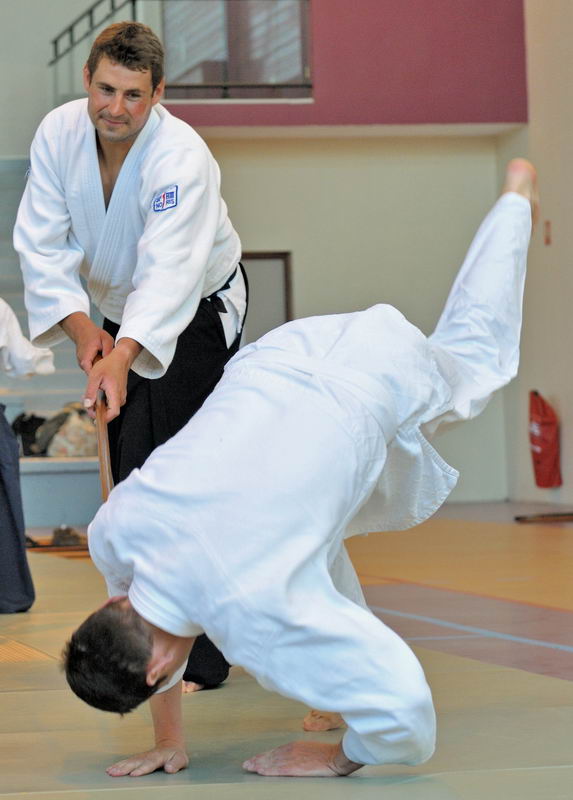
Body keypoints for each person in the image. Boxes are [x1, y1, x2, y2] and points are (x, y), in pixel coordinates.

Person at [63, 160, 537, 778]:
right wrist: (169, 740)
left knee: (476, 357)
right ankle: (333, 692)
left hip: (370, 379)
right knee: (306, 538)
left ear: (157, 674)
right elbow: (144, 613)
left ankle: (515, 203)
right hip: (282, 355)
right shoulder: (116, 530)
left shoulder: (253, 607)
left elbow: (408, 714)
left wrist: (343, 760)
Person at [13, 21, 245, 690]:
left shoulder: (182, 158)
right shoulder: (59, 134)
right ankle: (147, 636)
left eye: (133, 95)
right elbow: (41, 245)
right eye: (106, 89)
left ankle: (202, 656)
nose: (116, 108)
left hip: (196, 307)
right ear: (87, 80)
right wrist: (88, 335)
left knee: (173, 467)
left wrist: (123, 354)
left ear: (158, 94)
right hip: (114, 307)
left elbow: (170, 272)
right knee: (130, 468)